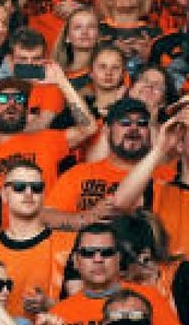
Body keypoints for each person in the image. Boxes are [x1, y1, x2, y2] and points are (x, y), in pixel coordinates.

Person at [113, 104, 189, 288]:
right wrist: (159, 149)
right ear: (180, 145)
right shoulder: (157, 189)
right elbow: (119, 203)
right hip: (166, 296)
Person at [50, 222, 185, 325]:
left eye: (107, 252)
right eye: (88, 253)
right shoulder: (58, 314)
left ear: (118, 258)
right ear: (75, 261)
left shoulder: (148, 297)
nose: (98, 259)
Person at [0, 159, 77, 317]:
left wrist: (50, 305)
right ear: (4, 194)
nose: (28, 193)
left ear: (43, 195)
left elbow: (82, 306)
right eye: (19, 187)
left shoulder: (69, 243)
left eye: (36, 188)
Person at [0, 68, 98, 189]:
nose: (11, 103)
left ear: (26, 111)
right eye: (3, 98)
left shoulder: (47, 140)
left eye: (19, 98)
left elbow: (88, 128)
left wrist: (62, 82)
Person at [47, 97, 155, 228]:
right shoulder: (80, 173)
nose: (134, 128)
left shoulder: (164, 176)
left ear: (150, 132)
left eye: (142, 123)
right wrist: (86, 218)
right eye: (125, 122)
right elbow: (46, 215)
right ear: (106, 131)